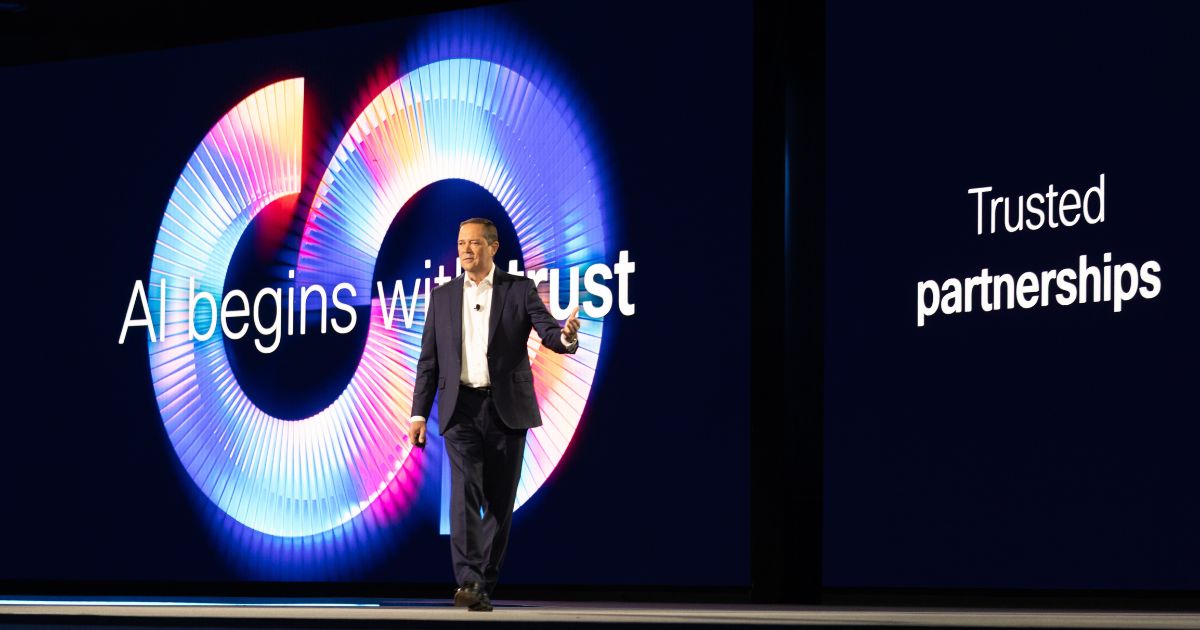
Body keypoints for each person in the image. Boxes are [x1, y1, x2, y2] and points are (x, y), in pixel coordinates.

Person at [408, 217, 580, 612]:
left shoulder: (519, 290)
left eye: (474, 243)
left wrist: (567, 337)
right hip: (460, 409)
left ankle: (483, 583)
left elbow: (550, 334)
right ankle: (468, 580)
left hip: (507, 409)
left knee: (499, 504)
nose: (466, 250)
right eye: (461, 243)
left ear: (493, 247)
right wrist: (417, 415)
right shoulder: (442, 296)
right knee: (464, 492)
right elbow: (428, 362)